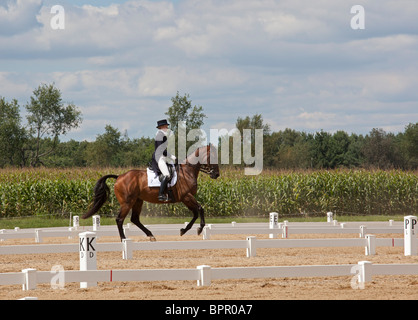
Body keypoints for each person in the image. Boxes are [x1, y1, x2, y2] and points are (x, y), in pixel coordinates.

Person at [151, 119, 176, 202]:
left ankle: (169, 192)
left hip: (164, 157)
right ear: (161, 127)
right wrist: (171, 156)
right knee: (167, 175)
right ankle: (160, 195)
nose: (167, 127)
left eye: (167, 126)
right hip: (159, 158)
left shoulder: (163, 135)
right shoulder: (159, 135)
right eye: (165, 126)